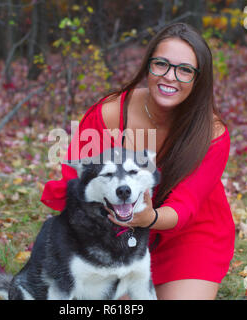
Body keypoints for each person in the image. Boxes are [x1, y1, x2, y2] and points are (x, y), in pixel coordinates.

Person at [40, 22, 235, 300]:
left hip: (186, 235)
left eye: (184, 70)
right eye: (161, 64)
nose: (170, 77)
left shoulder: (212, 133)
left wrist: (147, 217)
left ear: (198, 78)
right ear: (148, 66)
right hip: (110, 233)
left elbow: (185, 207)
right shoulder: (109, 114)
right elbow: (77, 183)